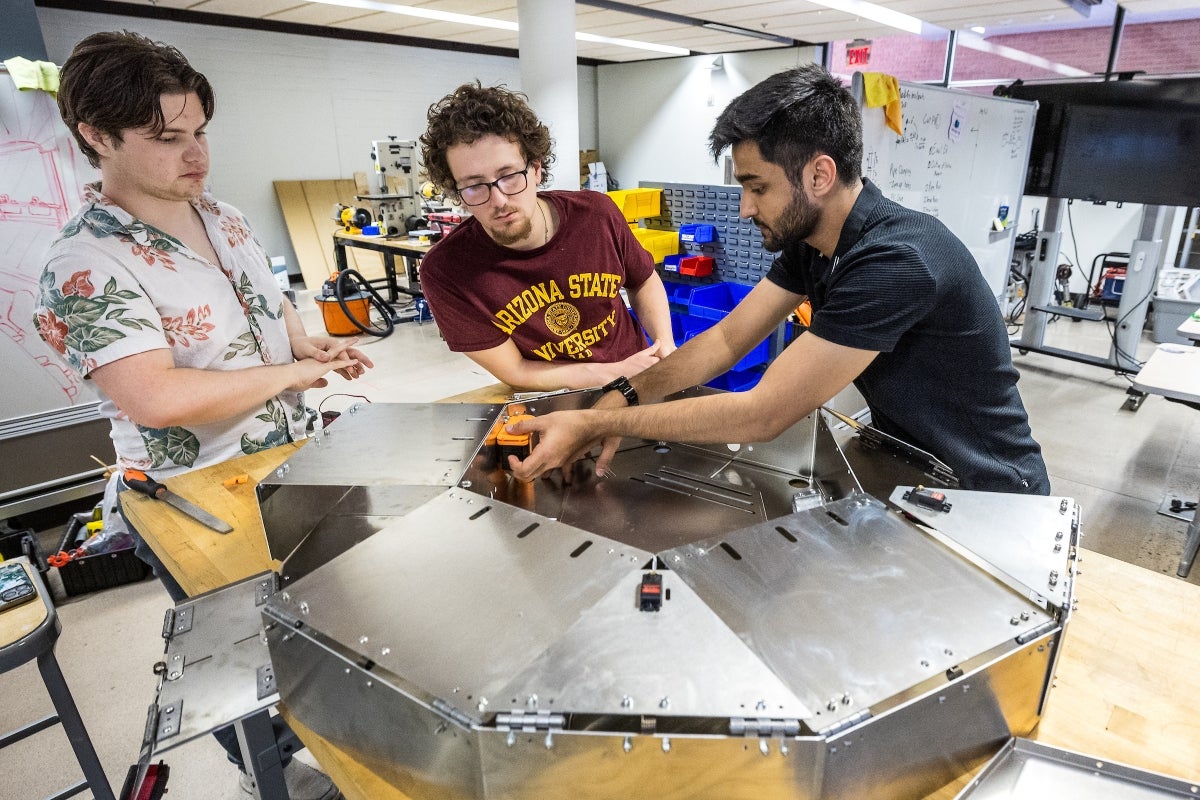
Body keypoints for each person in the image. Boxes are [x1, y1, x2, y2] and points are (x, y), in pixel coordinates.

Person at [34, 31, 362, 800]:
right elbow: (156, 397)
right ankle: (271, 770)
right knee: (242, 653)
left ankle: (342, 742)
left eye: (200, 132)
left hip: (286, 458)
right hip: (193, 490)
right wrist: (291, 371)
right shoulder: (85, 262)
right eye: (166, 138)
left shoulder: (222, 214)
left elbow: (268, 306)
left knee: (323, 621)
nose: (196, 156)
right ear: (96, 136)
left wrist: (306, 342)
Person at [508, 64, 1050, 495]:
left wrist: (598, 426)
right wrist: (622, 396)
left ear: (819, 174)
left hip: (985, 489)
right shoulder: (814, 243)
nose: (744, 208)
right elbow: (724, 340)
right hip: (908, 461)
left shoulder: (896, 261)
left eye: (757, 186)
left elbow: (762, 414)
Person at [418, 82, 675, 392]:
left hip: (637, 377)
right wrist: (606, 374)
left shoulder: (596, 214)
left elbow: (643, 279)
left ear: (536, 169)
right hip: (551, 397)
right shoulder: (446, 271)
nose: (499, 200)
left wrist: (665, 345)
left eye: (510, 176)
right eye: (474, 186)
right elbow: (517, 370)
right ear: (455, 192)